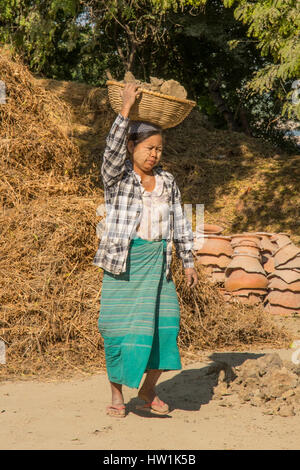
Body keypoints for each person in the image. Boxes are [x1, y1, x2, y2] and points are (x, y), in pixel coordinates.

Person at [93, 82, 198, 417]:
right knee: (118, 330)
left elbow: (180, 221)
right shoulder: (118, 178)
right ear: (131, 146)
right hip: (124, 264)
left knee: (166, 328)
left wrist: (189, 261)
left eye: (159, 149)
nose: (154, 154)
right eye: (148, 147)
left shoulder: (167, 182)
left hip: (158, 263)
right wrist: (125, 107)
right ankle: (116, 396)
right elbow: (109, 152)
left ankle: (147, 390)